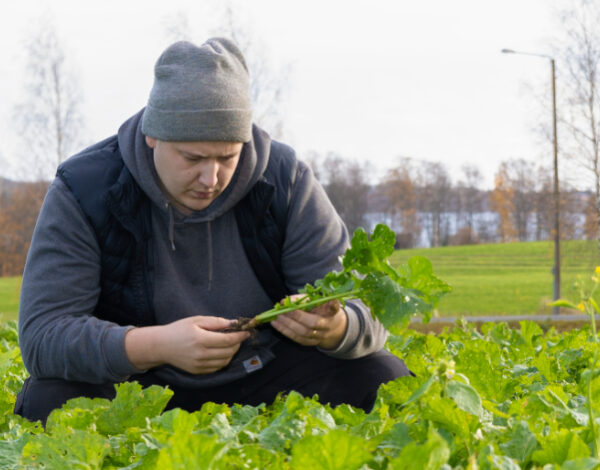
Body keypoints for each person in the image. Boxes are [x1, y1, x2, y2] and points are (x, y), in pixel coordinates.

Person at [14, 38, 411, 424]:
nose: (211, 178)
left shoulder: (286, 179)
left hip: (266, 375)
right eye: (193, 158)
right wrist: (156, 345)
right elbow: (43, 335)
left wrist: (334, 327)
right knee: (50, 398)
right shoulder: (85, 189)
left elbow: (367, 307)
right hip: (139, 386)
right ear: (153, 136)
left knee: (382, 377)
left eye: (227, 157)